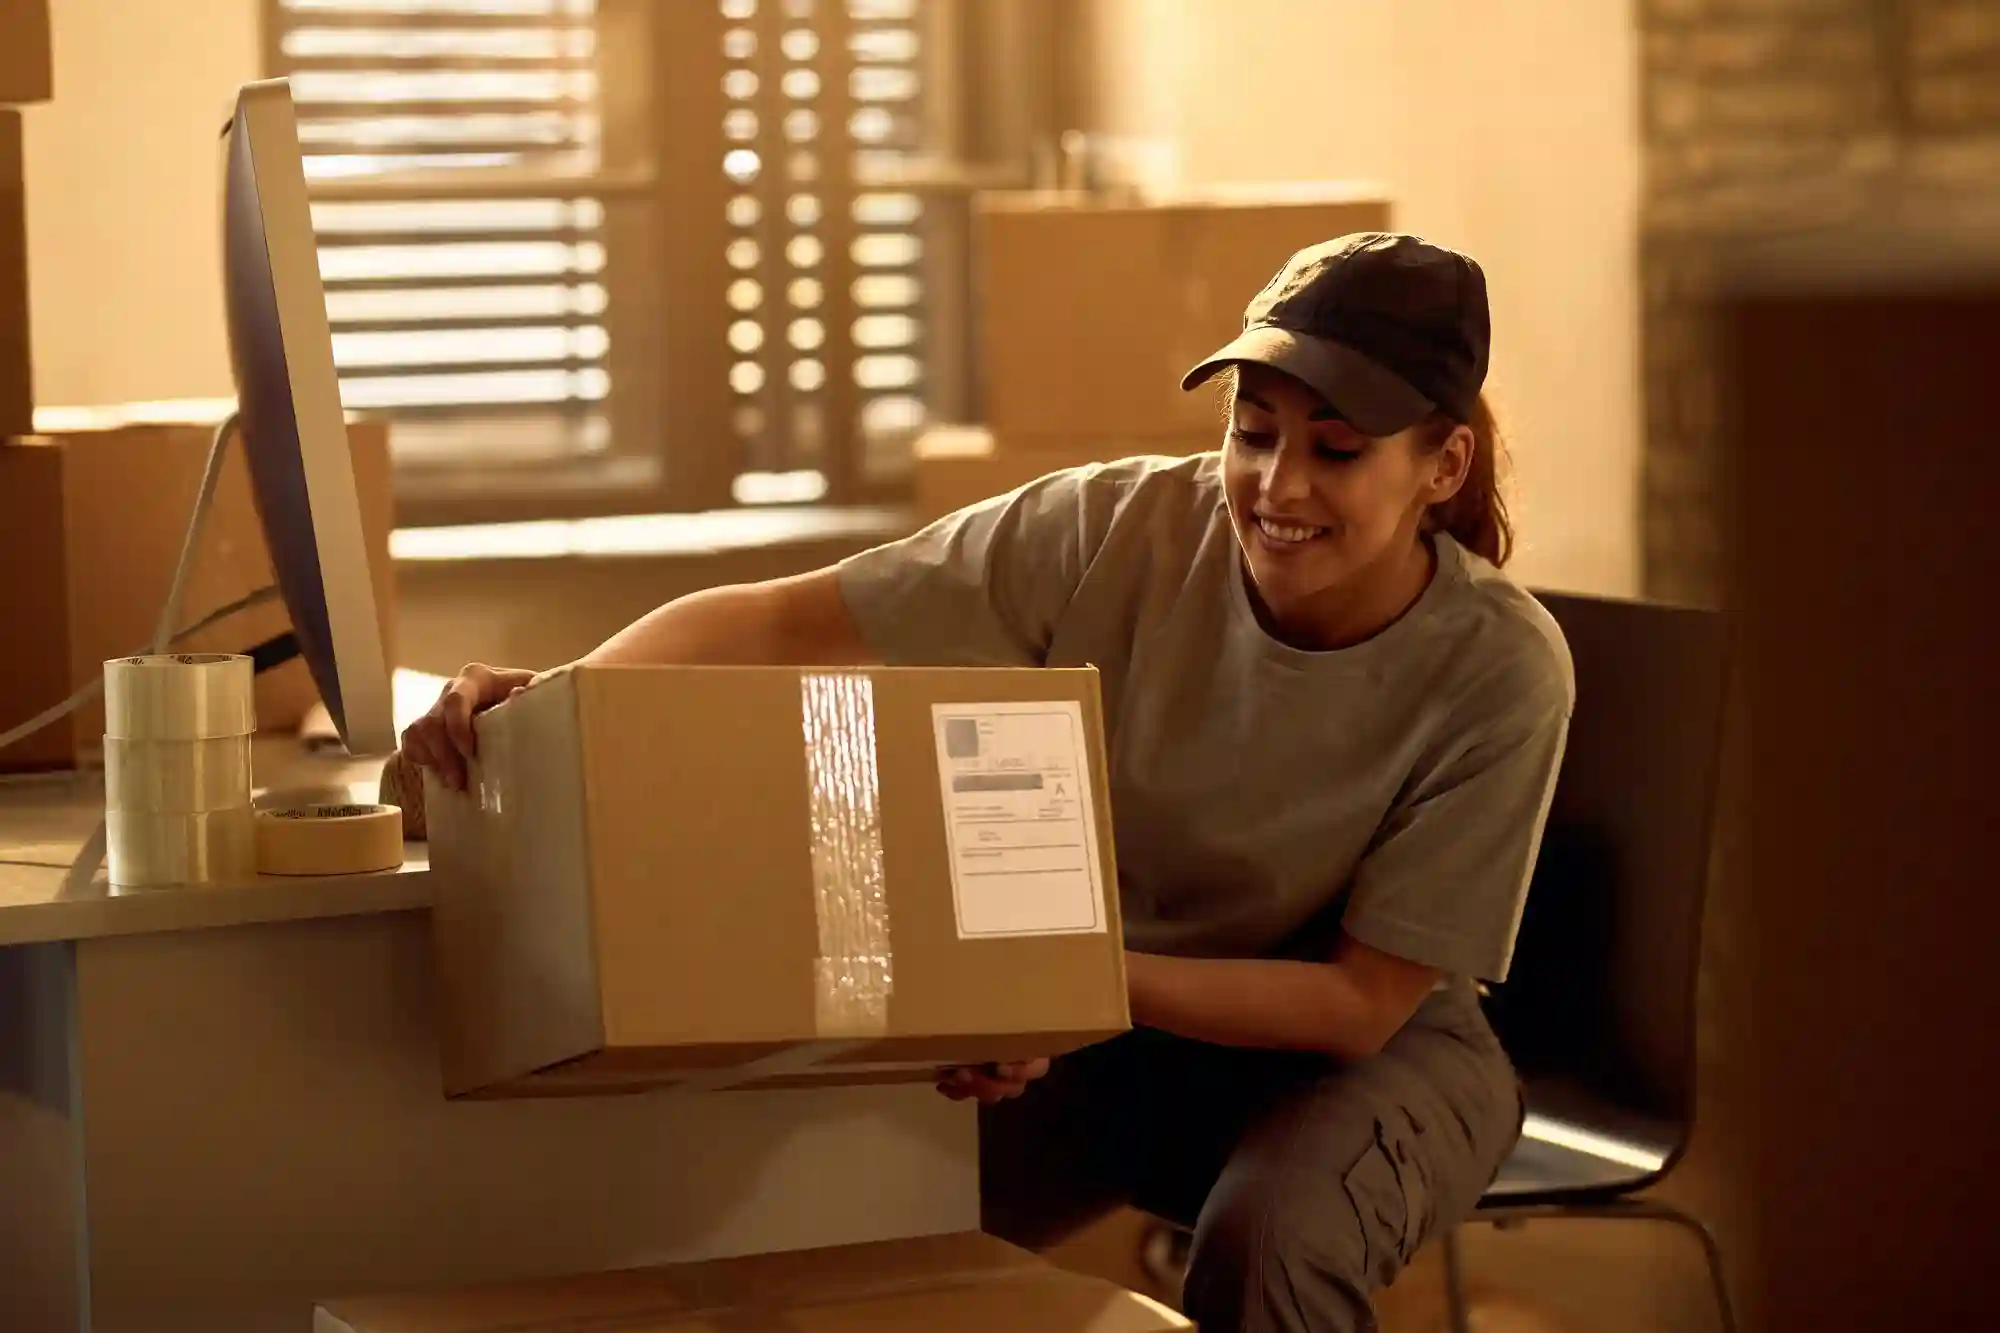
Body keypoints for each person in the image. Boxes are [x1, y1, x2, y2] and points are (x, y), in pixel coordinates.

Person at [399, 232, 1574, 1333]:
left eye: (1336, 450)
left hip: (1380, 1055)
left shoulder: (1499, 668)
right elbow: (784, 621)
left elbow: (1355, 1003)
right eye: (1251, 429)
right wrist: (559, 705)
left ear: (1441, 465)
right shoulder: (1111, 529)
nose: (1276, 485)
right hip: (1121, 1026)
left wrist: (1052, 982)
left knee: (1270, 1249)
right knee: (834, 1212)